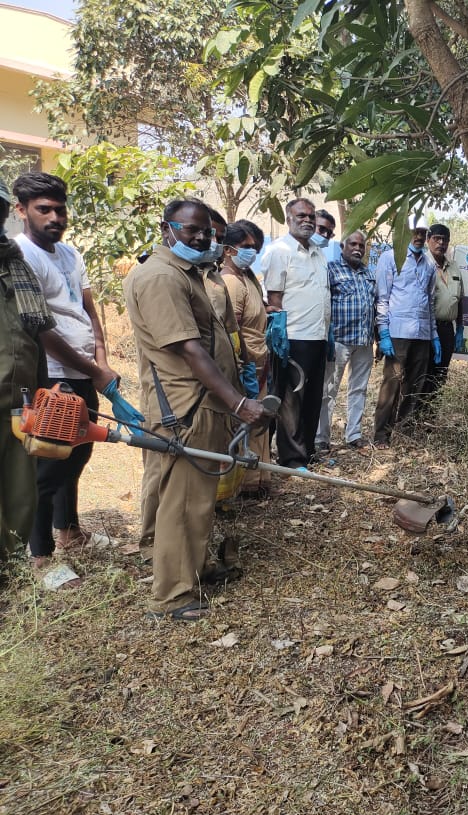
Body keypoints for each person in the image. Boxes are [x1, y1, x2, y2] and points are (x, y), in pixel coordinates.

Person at [124, 198, 267, 621]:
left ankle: (196, 569)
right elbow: (188, 350)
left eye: (207, 231)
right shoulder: (160, 278)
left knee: (199, 499)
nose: (201, 237)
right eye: (191, 230)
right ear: (166, 228)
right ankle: (172, 595)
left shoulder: (186, 275)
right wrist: (239, 402)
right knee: (182, 501)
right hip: (185, 409)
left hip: (202, 406)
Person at [12, 173, 120, 565]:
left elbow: (87, 309)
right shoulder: (22, 257)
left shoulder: (71, 254)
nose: (55, 217)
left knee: (77, 452)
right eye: (44, 209)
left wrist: (102, 361)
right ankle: (40, 556)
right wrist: (92, 367)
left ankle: (69, 529)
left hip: (83, 369)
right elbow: (41, 330)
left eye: (60, 209)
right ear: (21, 211)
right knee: (49, 461)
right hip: (52, 372)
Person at [0, 178, 53, 565]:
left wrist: (43, 390)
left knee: (21, 494)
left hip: (19, 401)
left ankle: (11, 568)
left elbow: (34, 333)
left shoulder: (15, 264)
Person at [263, 198, 331, 468]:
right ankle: (291, 458)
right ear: (288, 219)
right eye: (301, 215)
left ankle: (308, 451)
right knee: (292, 399)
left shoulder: (318, 251)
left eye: (311, 216)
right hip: (293, 337)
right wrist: (279, 332)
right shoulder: (279, 251)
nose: (307, 220)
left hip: (318, 336)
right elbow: (274, 297)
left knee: (313, 397)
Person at [373, 225, 437, 446]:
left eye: (422, 234)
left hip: (422, 334)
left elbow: (430, 301)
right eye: (414, 233)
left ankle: (404, 433)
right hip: (398, 332)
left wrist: (434, 336)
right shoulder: (391, 257)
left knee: (415, 386)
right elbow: (382, 297)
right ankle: (381, 435)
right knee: (392, 384)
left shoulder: (429, 263)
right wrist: (383, 333)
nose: (418, 237)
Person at [220, 220, 271, 495]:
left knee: (260, 422)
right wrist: (244, 366)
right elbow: (233, 329)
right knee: (244, 425)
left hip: (260, 360)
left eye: (256, 248)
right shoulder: (230, 282)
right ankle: (245, 485)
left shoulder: (247, 277)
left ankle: (259, 480)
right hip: (246, 365)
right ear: (228, 250)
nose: (253, 252)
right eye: (247, 247)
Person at [318, 230, 375, 449]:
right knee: (329, 390)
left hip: (364, 341)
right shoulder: (331, 270)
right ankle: (322, 438)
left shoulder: (367, 273)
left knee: (359, 389)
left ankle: (353, 435)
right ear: (343, 246)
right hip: (339, 340)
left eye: (361, 245)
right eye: (353, 244)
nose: (357, 249)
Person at [419, 223, 466, 403]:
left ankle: (431, 418)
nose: (441, 243)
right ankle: (417, 418)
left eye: (444, 239)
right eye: (436, 238)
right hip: (425, 330)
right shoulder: (421, 264)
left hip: (446, 330)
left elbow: (460, 299)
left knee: (440, 376)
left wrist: (460, 328)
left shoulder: (454, 267)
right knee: (423, 374)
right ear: (428, 240)